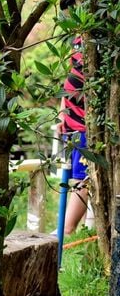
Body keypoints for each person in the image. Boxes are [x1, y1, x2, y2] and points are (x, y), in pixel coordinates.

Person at [61, 35, 90, 234]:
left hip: (84, 127)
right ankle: (67, 229)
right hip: (72, 126)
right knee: (80, 180)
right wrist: (61, 115)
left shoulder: (95, 38)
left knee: (84, 181)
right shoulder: (77, 41)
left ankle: (67, 230)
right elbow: (69, 80)